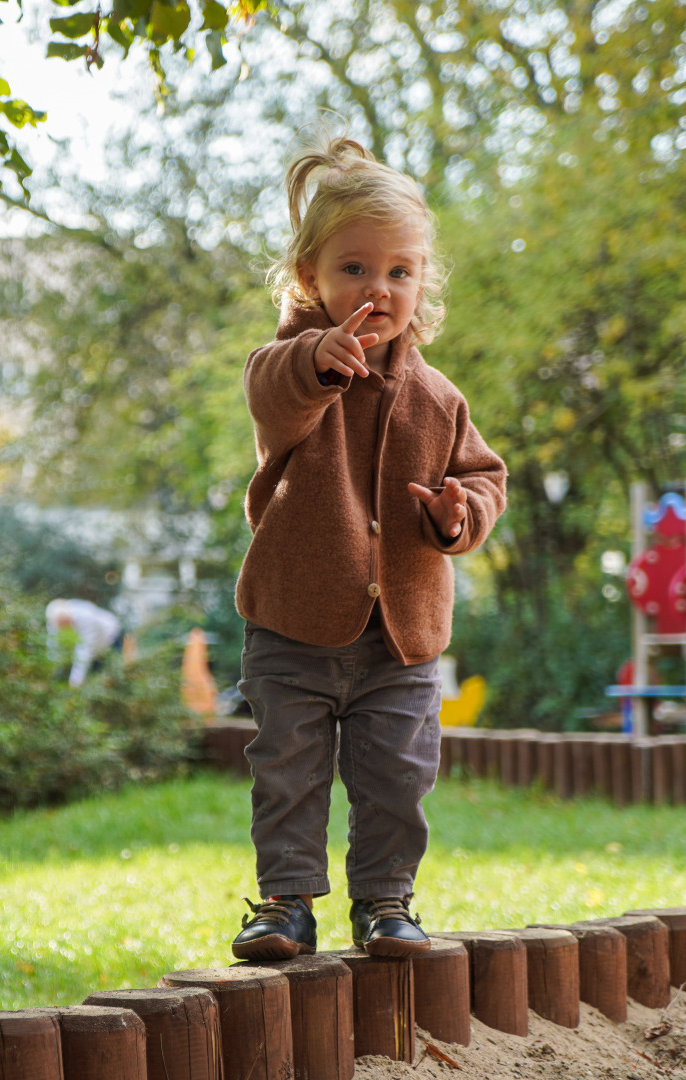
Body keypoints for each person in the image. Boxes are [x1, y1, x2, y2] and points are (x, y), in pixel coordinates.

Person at [228, 137, 507, 961]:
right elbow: (277, 398)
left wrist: (460, 514)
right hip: (292, 625)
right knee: (288, 771)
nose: (376, 289)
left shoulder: (439, 397)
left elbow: (486, 477)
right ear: (309, 277)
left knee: (396, 778)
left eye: (399, 271)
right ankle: (283, 903)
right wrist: (318, 357)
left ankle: (387, 902)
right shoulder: (286, 366)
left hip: (401, 639)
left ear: (422, 284)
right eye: (353, 269)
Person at [45, 598, 122, 688]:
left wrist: (74, 684)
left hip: (111, 638)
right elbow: (53, 645)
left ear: (68, 618)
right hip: (94, 646)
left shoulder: (85, 617)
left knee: (106, 675)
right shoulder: (54, 619)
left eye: (63, 624)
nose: (63, 629)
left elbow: (84, 652)